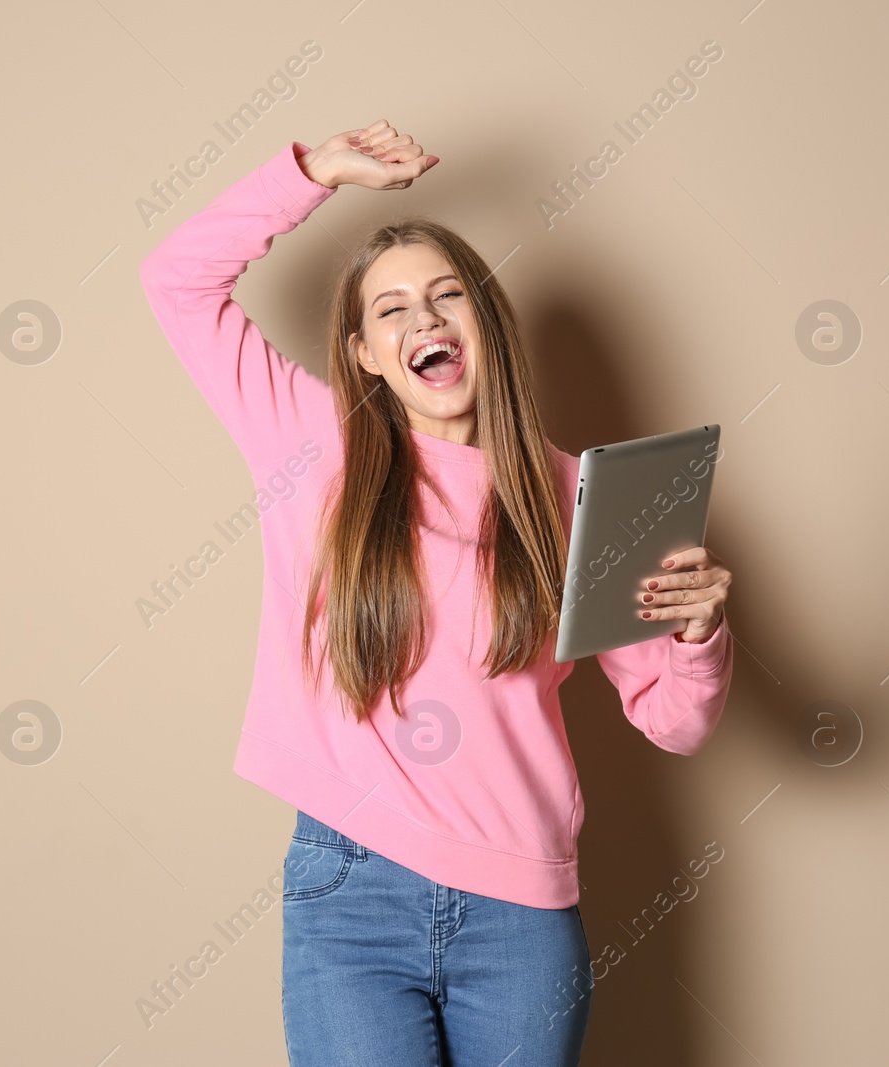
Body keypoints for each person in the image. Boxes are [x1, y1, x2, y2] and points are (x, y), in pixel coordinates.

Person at [138, 119, 737, 1067]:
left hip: (524, 915)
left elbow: (676, 721)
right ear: (368, 353)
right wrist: (313, 173)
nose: (425, 318)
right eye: (392, 309)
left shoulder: (588, 499)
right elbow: (175, 280)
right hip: (352, 895)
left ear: (486, 327)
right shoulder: (312, 443)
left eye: (448, 294)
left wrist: (698, 634)